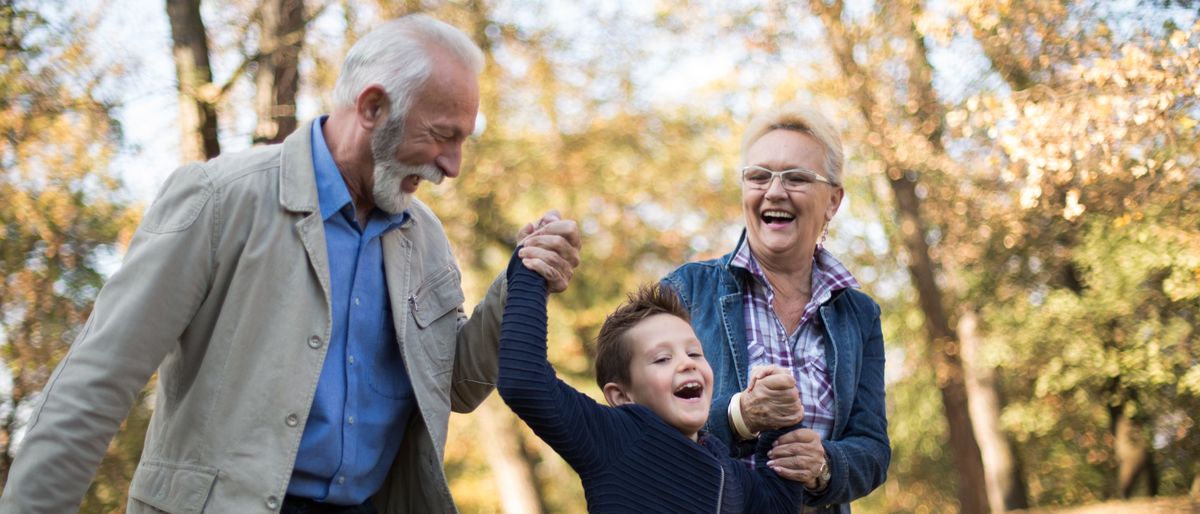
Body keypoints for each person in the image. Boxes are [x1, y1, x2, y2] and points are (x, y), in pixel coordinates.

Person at [0, 14, 581, 514]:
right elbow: (96, 381)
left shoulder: (422, 235)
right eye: (441, 137)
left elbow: (451, 385)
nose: (452, 167)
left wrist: (519, 284)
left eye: (463, 142)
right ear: (373, 106)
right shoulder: (219, 198)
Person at [662, 103, 890, 513]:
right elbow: (639, 430)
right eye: (759, 175)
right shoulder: (685, 292)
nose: (775, 191)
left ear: (833, 201)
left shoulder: (859, 315)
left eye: (797, 178)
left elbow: (873, 449)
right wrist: (740, 417)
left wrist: (824, 465)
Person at [497, 250, 803, 513]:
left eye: (694, 353)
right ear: (621, 395)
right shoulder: (615, 437)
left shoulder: (725, 466)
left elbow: (777, 504)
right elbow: (524, 381)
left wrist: (783, 420)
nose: (686, 363)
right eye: (661, 359)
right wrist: (533, 270)